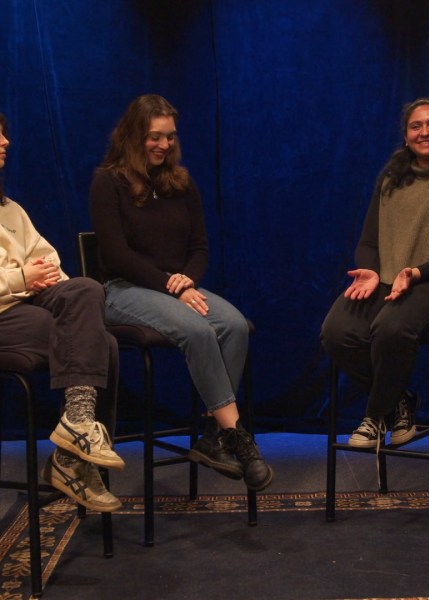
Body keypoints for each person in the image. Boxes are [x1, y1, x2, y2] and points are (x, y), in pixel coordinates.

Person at [89, 94, 274, 492]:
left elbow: (200, 248)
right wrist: (171, 288)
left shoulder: (181, 183)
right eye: (155, 137)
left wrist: (186, 281)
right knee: (197, 331)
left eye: (170, 137)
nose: (164, 145)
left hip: (175, 289)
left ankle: (211, 438)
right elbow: (116, 255)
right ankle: (238, 437)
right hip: (122, 291)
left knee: (234, 325)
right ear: (133, 136)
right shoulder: (108, 182)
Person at [321, 98, 429, 451]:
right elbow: (369, 240)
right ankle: (400, 402)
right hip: (387, 279)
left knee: (392, 326)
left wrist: (416, 272)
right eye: (416, 126)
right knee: (337, 332)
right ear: (406, 136)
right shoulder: (390, 179)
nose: (424, 132)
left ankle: (374, 416)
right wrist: (369, 270)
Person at [0, 112, 124, 512]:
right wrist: (21, 277)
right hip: (6, 313)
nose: (5, 143)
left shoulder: (10, 209)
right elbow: (26, 271)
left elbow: (49, 261)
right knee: (97, 343)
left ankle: (74, 444)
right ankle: (71, 455)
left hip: (27, 302)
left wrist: (48, 281)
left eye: (4, 134)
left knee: (86, 291)